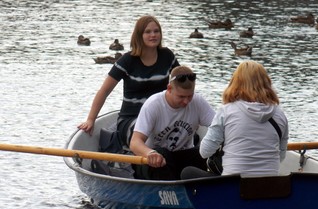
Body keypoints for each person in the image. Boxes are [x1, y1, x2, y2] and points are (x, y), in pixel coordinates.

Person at [78, 15, 180, 147]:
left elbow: (183, 84)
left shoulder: (167, 56)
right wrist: (90, 120)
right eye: (148, 32)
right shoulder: (127, 61)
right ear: (139, 35)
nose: (153, 35)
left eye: (156, 31)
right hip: (131, 119)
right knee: (152, 135)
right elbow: (104, 91)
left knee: (184, 133)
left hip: (161, 116)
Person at [181, 60, 289, 179]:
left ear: (235, 82)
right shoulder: (280, 114)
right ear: (267, 83)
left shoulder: (226, 111)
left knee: (187, 172)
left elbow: (204, 152)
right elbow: (281, 156)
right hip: (268, 186)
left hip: (233, 186)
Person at [129, 65, 215, 180]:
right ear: (169, 89)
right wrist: (150, 153)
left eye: (190, 96)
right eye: (181, 96)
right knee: (163, 154)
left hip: (181, 157)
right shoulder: (153, 105)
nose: (186, 101)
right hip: (154, 161)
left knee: (209, 151)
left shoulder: (197, 101)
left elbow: (219, 127)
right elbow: (135, 143)